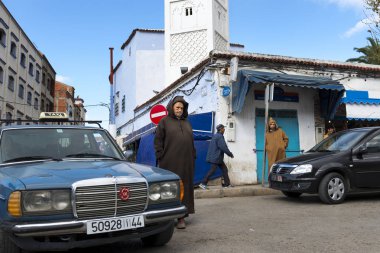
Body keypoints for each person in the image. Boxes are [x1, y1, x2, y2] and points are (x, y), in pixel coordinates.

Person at [154, 96, 196, 229]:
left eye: (182, 108)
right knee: (171, 188)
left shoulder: (187, 123)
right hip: (170, 162)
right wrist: (160, 156)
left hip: (187, 162)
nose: (179, 110)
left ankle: (182, 217)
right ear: (172, 107)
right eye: (177, 107)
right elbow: (158, 140)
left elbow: (191, 141)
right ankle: (167, 218)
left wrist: (193, 155)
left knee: (186, 189)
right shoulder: (164, 122)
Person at [199, 124, 234, 190]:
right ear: (221, 129)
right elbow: (223, 147)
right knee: (212, 170)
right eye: (223, 128)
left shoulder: (216, 136)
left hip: (217, 157)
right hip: (216, 157)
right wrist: (230, 154)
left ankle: (227, 184)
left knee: (224, 169)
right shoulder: (219, 136)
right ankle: (203, 183)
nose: (224, 130)